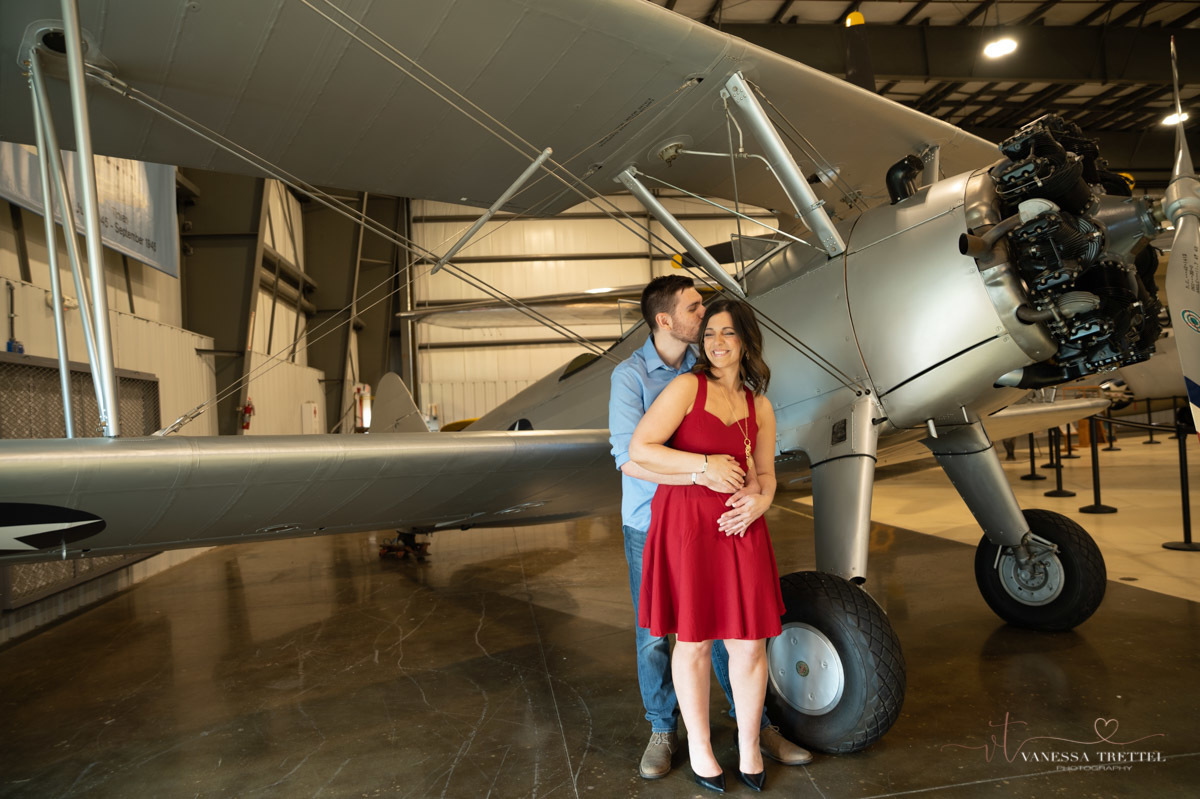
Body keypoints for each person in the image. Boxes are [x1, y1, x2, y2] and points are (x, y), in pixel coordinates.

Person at [608, 280, 810, 783]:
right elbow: (632, 455)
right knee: (668, 636)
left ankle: (752, 738)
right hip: (664, 522)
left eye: (726, 330)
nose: (711, 331)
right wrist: (702, 469)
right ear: (665, 319)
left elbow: (765, 473)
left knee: (744, 641)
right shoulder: (642, 378)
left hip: (738, 530)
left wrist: (761, 500)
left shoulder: (756, 402)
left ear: (746, 340)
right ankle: (668, 732)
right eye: (701, 315)